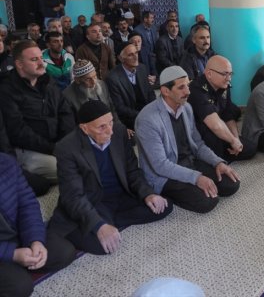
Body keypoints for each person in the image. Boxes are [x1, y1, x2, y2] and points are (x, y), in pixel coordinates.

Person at [49, 100, 172, 255]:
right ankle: (100, 221)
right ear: (84, 128)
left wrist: (148, 194)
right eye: (102, 127)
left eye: (111, 123)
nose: (110, 131)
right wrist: (99, 225)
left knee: (163, 206)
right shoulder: (67, 148)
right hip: (94, 200)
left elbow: (132, 171)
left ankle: (110, 220)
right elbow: (73, 196)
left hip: (120, 194)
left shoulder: (119, 131)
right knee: (102, 246)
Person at [135, 66, 240, 213]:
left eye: (188, 85)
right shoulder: (148, 119)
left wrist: (217, 162)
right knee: (208, 201)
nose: (188, 92)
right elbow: (160, 165)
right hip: (164, 174)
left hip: (188, 162)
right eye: (181, 87)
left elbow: (198, 144)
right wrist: (197, 178)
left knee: (230, 184)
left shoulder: (186, 108)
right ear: (165, 91)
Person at [0, 153, 76, 297]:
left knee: (63, 252)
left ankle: (19, 264)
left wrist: (35, 240)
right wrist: (12, 254)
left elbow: (27, 203)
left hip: (15, 234)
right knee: (20, 286)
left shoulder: (6, 162)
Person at [0, 40, 75, 183]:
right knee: (63, 168)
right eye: (34, 60)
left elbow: (65, 112)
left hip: (57, 144)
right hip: (29, 149)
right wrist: (53, 148)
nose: (41, 63)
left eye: (41, 58)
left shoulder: (48, 81)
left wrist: (64, 142)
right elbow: (18, 131)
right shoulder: (7, 90)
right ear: (19, 64)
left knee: (87, 156)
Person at [188, 56, 252, 162]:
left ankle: (224, 154)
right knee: (215, 145)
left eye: (230, 74)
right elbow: (214, 124)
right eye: (224, 74)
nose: (229, 78)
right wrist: (232, 141)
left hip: (219, 128)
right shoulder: (196, 89)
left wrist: (235, 139)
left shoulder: (225, 86)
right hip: (202, 133)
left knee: (250, 147)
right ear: (209, 74)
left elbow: (228, 115)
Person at [105, 43, 156, 131]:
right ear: (121, 58)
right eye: (130, 55)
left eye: (136, 53)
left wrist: (152, 110)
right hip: (130, 119)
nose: (136, 57)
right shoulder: (113, 78)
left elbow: (150, 93)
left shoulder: (142, 68)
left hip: (147, 113)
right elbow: (120, 107)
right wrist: (143, 114)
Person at [63, 59, 118, 124]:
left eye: (95, 76)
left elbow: (111, 108)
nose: (94, 82)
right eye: (88, 79)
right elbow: (71, 124)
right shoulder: (67, 96)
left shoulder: (102, 84)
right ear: (77, 80)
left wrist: (118, 126)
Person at [133, 11, 159, 75]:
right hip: (144, 58)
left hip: (154, 56)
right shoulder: (137, 30)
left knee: (155, 75)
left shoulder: (154, 28)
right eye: (151, 18)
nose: (153, 20)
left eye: (153, 18)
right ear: (145, 19)